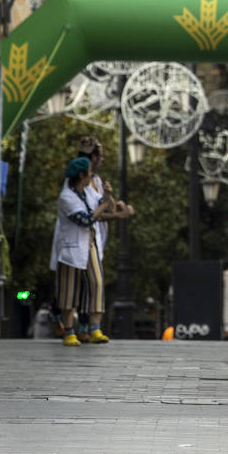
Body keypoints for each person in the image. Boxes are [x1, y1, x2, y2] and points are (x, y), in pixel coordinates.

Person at [49, 156, 118, 347]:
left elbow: (107, 209)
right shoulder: (66, 197)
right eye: (88, 173)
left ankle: (95, 328)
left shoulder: (88, 191)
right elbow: (85, 220)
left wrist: (108, 196)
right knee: (68, 290)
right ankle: (69, 331)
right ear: (81, 175)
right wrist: (103, 205)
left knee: (97, 283)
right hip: (71, 248)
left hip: (90, 244)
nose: (91, 176)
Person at [75, 136, 133, 342]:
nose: (103, 160)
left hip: (96, 238)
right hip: (82, 238)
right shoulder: (77, 181)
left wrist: (114, 202)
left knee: (90, 283)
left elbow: (105, 206)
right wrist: (118, 214)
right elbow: (92, 213)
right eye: (100, 156)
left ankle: (88, 327)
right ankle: (84, 326)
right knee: (87, 283)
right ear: (92, 157)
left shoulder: (97, 181)